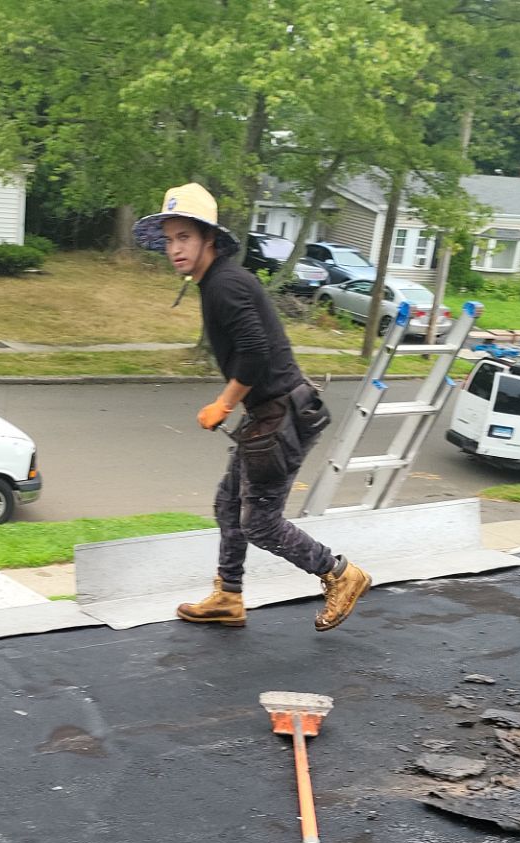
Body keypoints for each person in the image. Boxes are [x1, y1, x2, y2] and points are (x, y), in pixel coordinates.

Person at [132, 184, 371, 632]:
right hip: (270, 414)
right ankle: (228, 595)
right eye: (168, 239)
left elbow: (256, 353)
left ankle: (341, 574)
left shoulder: (224, 285)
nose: (174, 248)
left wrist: (223, 405)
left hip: (283, 416)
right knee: (228, 505)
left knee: (259, 523)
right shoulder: (216, 283)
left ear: (209, 238)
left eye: (184, 236)